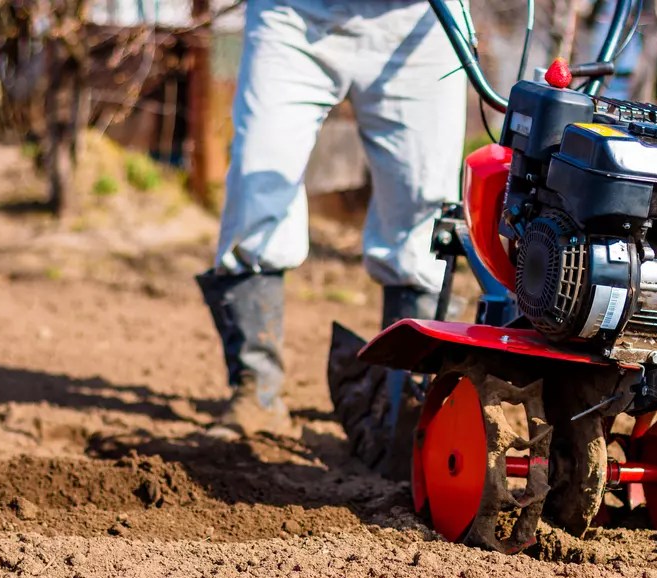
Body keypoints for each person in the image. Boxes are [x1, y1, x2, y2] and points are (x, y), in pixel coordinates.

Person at [196, 0, 467, 437]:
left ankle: (409, 409)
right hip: (296, 13)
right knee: (256, 179)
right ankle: (256, 392)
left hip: (421, 20)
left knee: (424, 210)